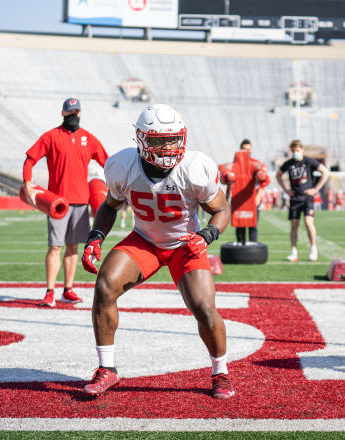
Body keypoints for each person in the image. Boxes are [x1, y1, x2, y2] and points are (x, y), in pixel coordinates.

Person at [80, 104, 235, 399]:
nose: (168, 147)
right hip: (145, 241)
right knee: (105, 285)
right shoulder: (123, 165)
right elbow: (110, 207)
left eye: (173, 139)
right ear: (141, 140)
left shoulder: (194, 166)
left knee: (204, 308)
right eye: (158, 140)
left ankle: (221, 372)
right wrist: (96, 236)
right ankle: (107, 369)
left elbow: (221, 210)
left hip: (186, 244)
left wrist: (208, 234)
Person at [22, 98, 108, 307]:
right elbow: (30, 159)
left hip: (81, 202)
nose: (73, 115)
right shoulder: (51, 136)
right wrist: (27, 186)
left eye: (76, 111)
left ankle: (68, 289)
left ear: (80, 114)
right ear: (63, 113)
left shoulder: (88, 138)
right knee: (55, 247)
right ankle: (50, 291)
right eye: (70, 112)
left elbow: (107, 161)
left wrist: (115, 184)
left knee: (73, 248)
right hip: (58, 203)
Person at [276, 139, 329, 262]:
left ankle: (313, 249)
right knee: (294, 225)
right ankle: (294, 252)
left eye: (297, 150)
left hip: (307, 198)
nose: (295, 152)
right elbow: (278, 175)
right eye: (293, 150)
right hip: (295, 198)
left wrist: (316, 189)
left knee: (308, 222)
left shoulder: (309, 161)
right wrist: (286, 190)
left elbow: (325, 172)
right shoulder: (288, 163)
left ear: (302, 150)